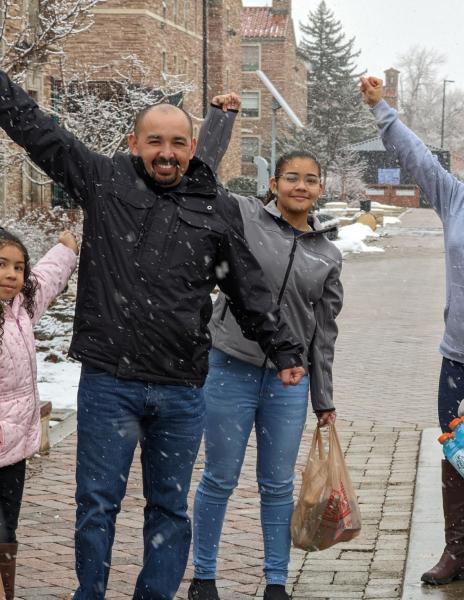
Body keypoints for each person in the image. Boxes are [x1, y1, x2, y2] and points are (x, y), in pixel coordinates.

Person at [0, 71, 306, 600]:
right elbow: (37, 129)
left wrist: (282, 349)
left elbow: (248, 286)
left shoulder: (216, 205)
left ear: (192, 148)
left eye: (178, 143)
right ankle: (89, 593)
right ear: (133, 144)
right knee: (96, 503)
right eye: (155, 142)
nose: (167, 153)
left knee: (169, 506)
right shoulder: (101, 180)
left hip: (181, 389)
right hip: (108, 382)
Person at [361, 76, 464, 592]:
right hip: (459, 357)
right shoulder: (457, 201)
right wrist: (381, 109)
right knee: (459, 453)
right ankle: (456, 553)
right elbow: (416, 159)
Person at [187, 99, 342, 600]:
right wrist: (221, 120)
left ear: (320, 189)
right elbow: (201, 177)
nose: (301, 185)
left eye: (310, 179)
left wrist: (324, 398)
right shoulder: (246, 218)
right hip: (229, 366)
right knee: (219, 478)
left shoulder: (327, 252)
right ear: (273, 184)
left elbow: (325, 331)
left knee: (277, 486)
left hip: (287, 382)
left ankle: (276, 582)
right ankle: (204, 577)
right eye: (290, 177)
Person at [0, 228, 78, 600]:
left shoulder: (22, 308)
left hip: (13, 449)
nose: (11, 274)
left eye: (17, 267)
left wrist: (65, 250)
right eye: (1, 265)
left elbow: (45, 279)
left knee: (7, 533)